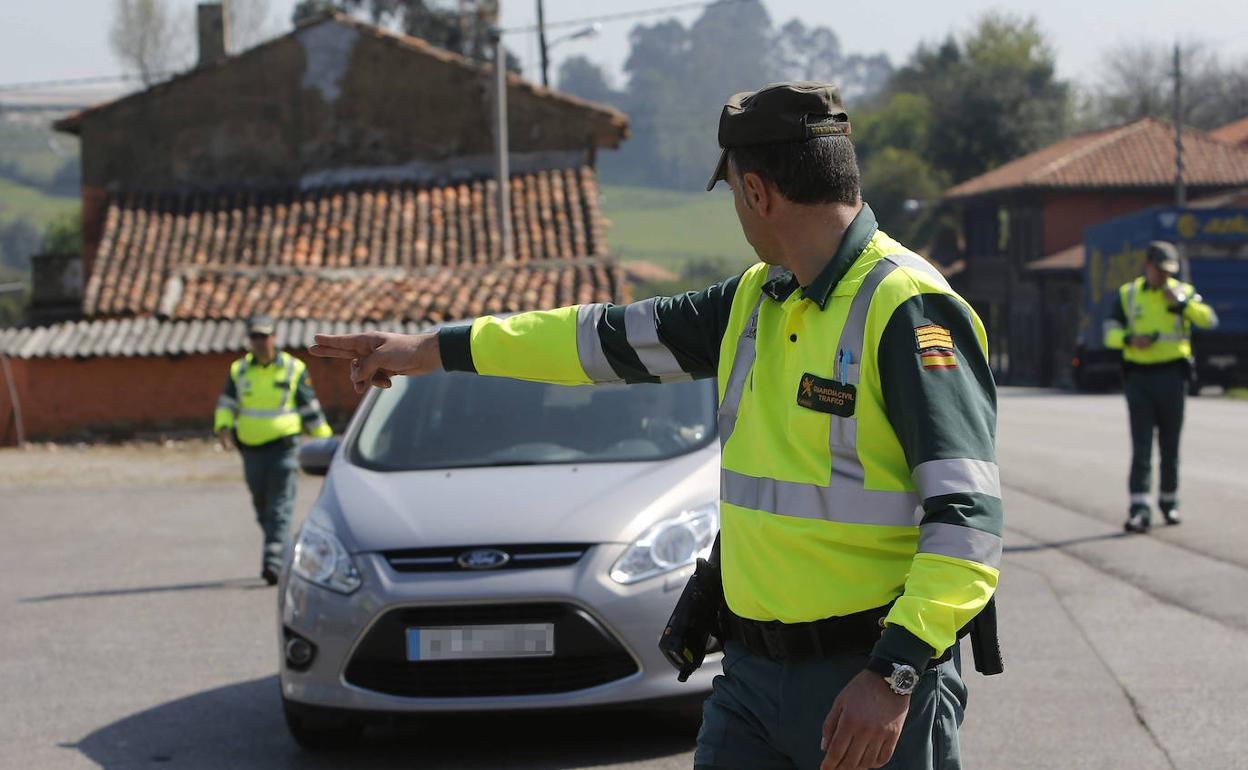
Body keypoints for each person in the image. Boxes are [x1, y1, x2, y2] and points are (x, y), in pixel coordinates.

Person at [311, 81, 1001, 770]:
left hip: (867, 686)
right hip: (753, 682)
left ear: (757, 192)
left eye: (732, 194)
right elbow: (595, 340)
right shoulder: (752, 301)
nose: (737, 211)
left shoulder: (908, 307)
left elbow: (967, 522)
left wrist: (896, 675)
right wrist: (430, 351)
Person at [1103, 241, 1218, 533]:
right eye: (1160, 271)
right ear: (1148, 266)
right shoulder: (1128, 295)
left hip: (1172, 377)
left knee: (1171, 445)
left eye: (1169, 272)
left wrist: (1182, 303)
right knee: (1141, 447)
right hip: (1139, 378)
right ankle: (1139, 509)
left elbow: (1209, 320)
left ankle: (1169, 502)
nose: (1164, 277)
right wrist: (1130, 340)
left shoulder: (1183, 292)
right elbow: (1108, 333)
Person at [214, 315, 333, 585]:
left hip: (284, 448)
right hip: (251, 449)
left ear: (274, 337)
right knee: (262, 505)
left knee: (279, 507)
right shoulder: (239, 370)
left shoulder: (293, 368)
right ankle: (279, 549)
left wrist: (326, 445)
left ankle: (273, 563)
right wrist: (223, 427)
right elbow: (227, 403)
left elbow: (309, 409)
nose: (259, 342)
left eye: (264, 336)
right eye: (254, 337)